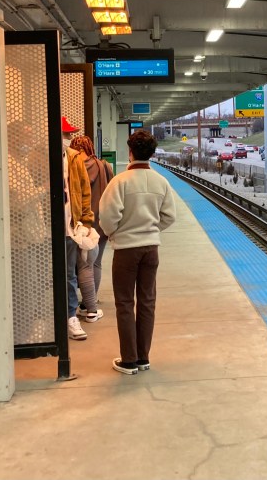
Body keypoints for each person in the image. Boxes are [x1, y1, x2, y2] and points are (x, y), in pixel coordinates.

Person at [99, 129, 176, 374]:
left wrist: (115, 233)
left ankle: (128, 359)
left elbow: (108, 216)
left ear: (130, 152)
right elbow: (169, 216)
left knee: (124, 303)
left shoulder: (119, 181)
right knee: (147, 302)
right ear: (152, 153)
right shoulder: (161, 182)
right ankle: (143, 357)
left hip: (125, 250)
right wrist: (152, 230)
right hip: (151, 249)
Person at [7, 120, 50, 344]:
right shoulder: (7, 163)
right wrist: (44, 188)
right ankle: (20, 339)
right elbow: (19, 200)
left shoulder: (20, 162)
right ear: (13, 138)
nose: (30, 142)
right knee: (23, 288)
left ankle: (24, 331)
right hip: (17, 237)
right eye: (27, 136)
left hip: (30, 234)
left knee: (30, 284)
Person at [61, 116, 97, 341]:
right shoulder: (38, 157)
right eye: (65, 134)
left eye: (68, 135)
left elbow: (85, 192)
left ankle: (71, 316)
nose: (68, 138)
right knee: (42, 276)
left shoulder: (74, 159)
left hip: (70, 227)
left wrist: (85, 221)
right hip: (43, 228)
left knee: (69, 274)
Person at [70, 134, 113, 301]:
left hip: (78, 223)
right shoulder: (102, 166)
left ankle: (77, 300)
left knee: (76, 265)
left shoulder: (72, 168)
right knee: (95, 263)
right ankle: (91, 300)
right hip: (99, 223)